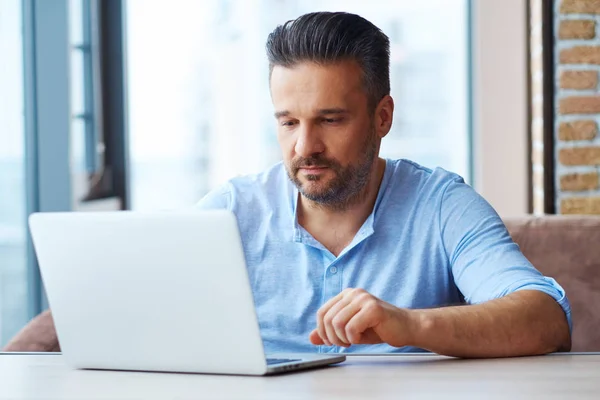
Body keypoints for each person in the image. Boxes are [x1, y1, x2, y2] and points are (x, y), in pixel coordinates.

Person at [197, 11, 571, 357]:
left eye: (330, 120)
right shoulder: (230, 213)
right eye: (289, 122)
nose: (305, 147)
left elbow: (546, 320)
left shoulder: (441, 205)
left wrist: (408, 324)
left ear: (383, 117)